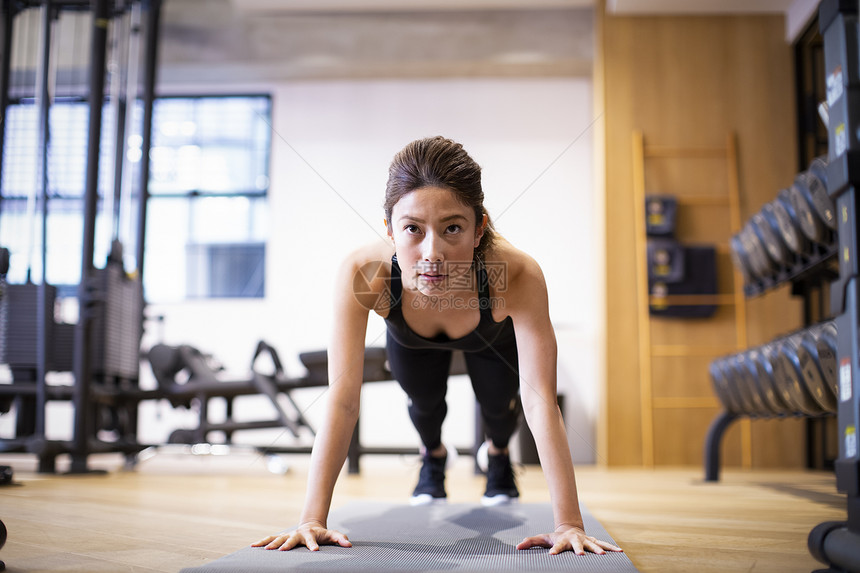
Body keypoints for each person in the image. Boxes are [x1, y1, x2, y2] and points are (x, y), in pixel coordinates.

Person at [253, 136, 622, 556]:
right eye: (413, 228)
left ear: (478, 226)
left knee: (500, 409)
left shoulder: (514, 275)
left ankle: (497, 455)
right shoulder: (365, 273)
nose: (433, 253)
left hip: (490, 339)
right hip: (412, 341)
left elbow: (539, 402)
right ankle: (433, 456)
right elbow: (342, 400)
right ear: (390, 228)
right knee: (424, 405)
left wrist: (568, 524)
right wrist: (311, 520)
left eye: (452, 228)